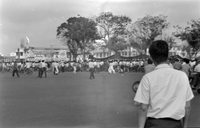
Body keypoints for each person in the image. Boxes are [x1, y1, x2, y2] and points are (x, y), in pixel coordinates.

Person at [134, 40, 194, 128]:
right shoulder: (182, 76)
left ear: (151, 57)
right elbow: (187, 106)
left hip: (153, 124)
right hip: (175, 124)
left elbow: (143, 108)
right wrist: (184, 126)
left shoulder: (148, 78)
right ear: (168, 55)